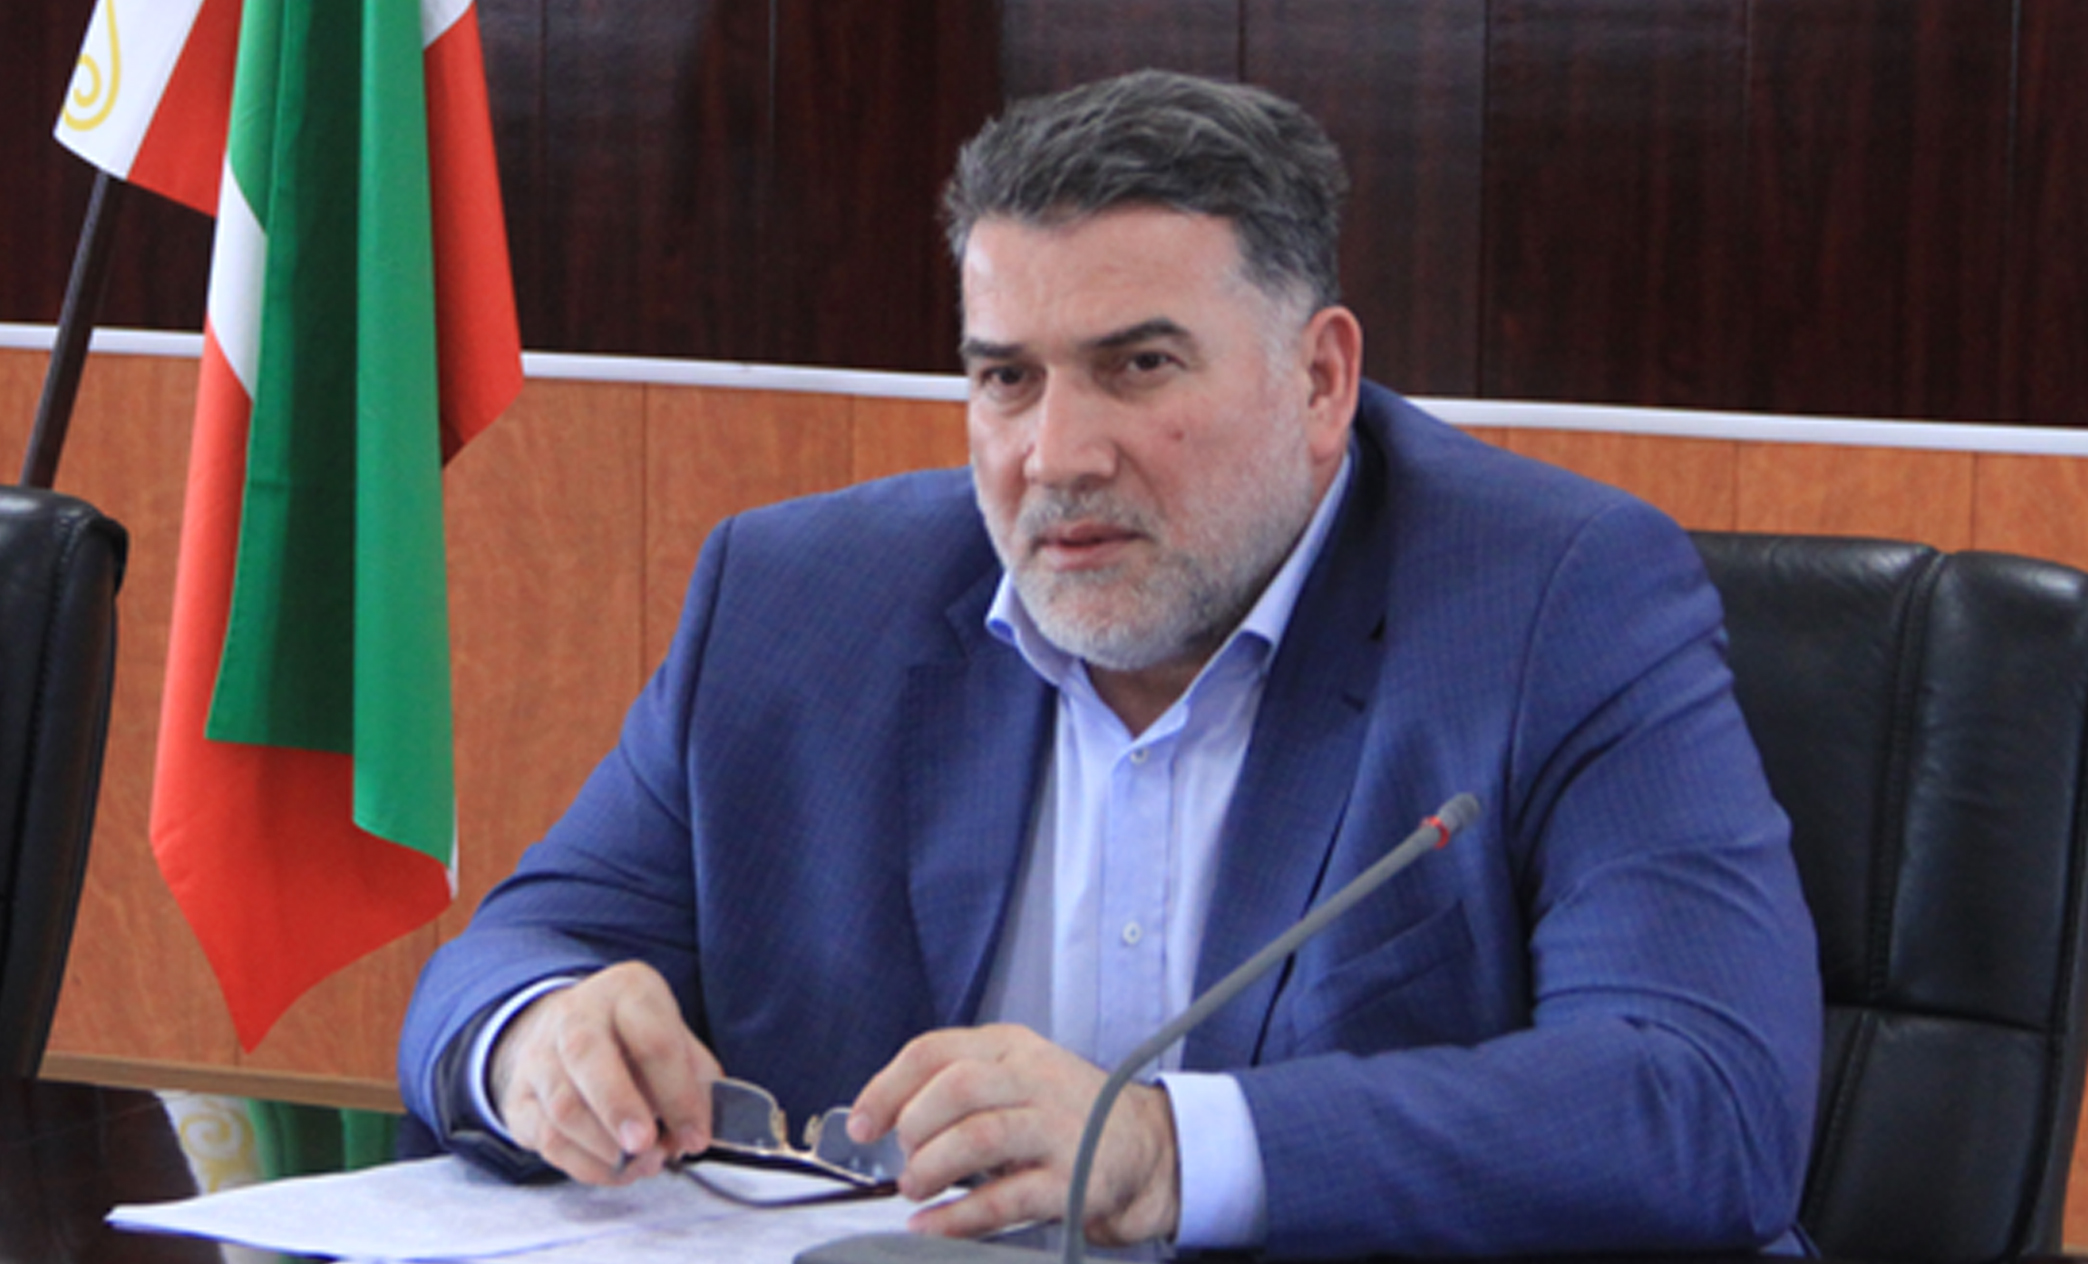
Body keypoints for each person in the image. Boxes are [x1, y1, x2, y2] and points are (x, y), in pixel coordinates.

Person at [400, 69, 1821, 1259]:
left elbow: (1703, 1101)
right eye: (1005, 378)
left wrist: (1166, 1150)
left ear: (1320, 380)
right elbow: (507, 966)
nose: (1056, 456)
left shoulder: (1555, 601)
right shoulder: (797, 602)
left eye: (1138, 366)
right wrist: (538, 1042)